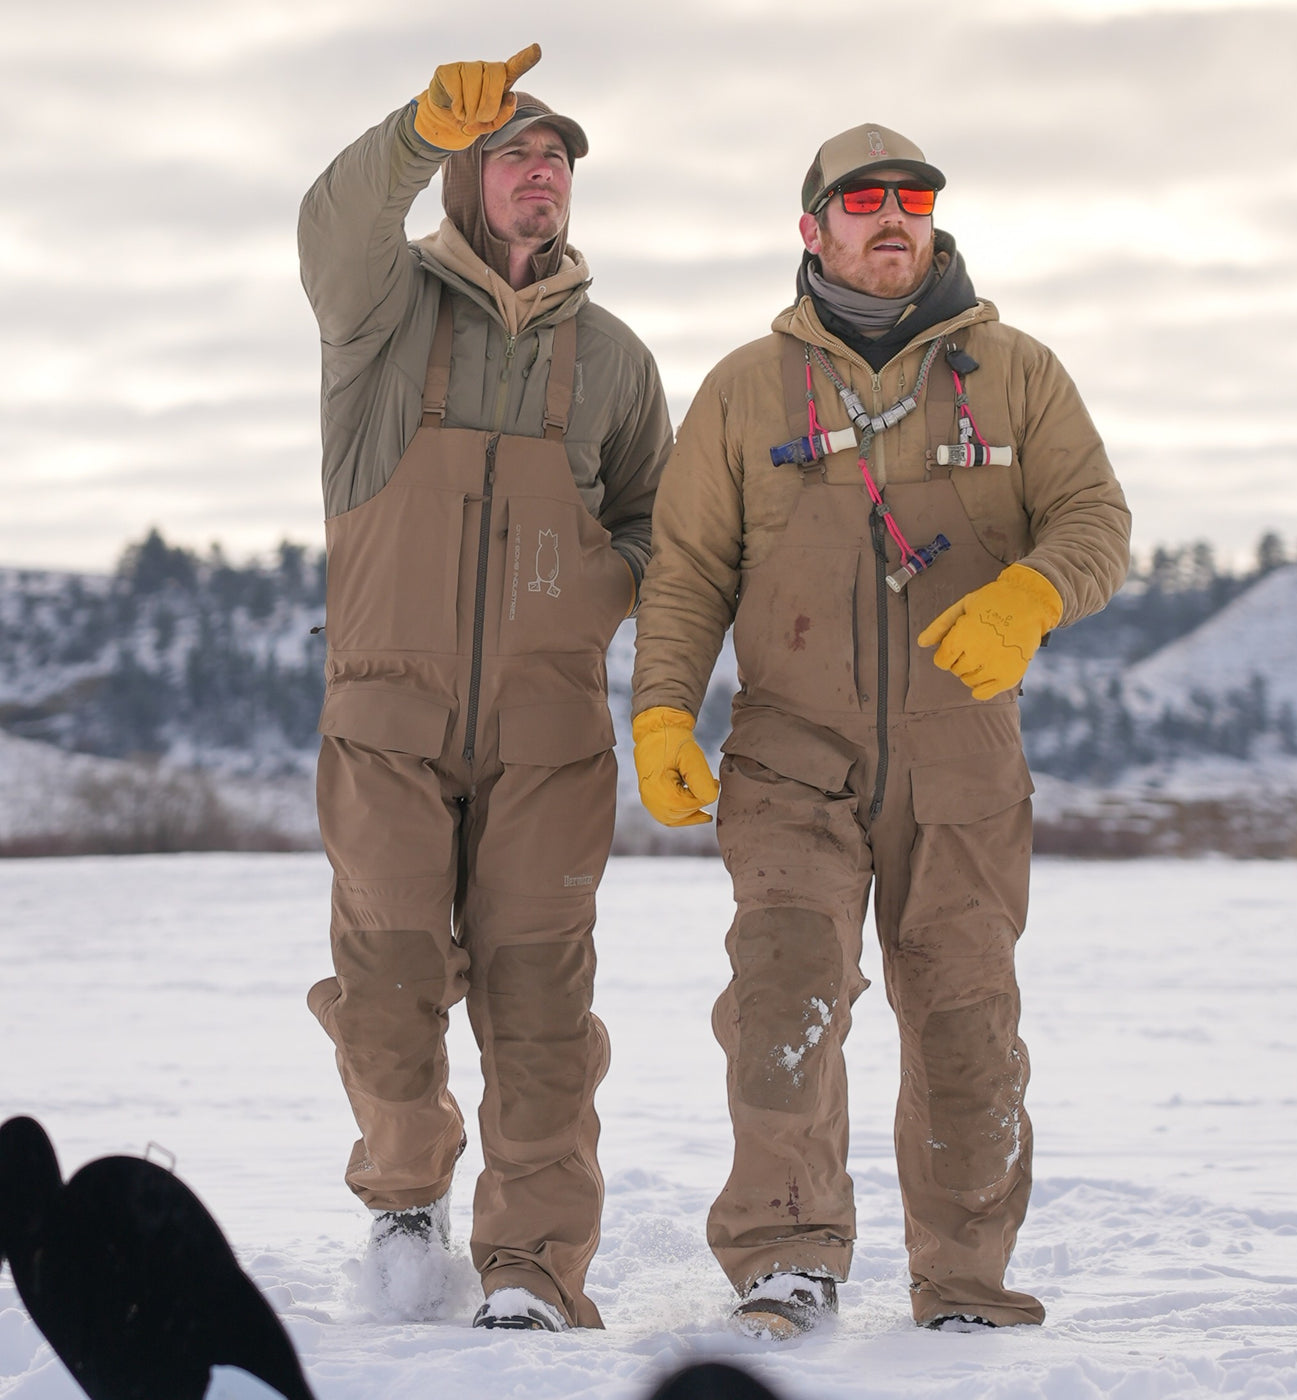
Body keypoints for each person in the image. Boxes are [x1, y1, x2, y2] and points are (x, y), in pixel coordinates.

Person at [631, 123, 1130, 1337]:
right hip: (789, 755)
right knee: (781, 1001)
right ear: (814, 229)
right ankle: (786, 1255)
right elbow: (687, 569)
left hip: (961, 757)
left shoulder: (1015, 371)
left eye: (911, 197)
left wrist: (1030, 595)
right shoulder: (744, 389)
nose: (891, 216)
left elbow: (1095, 518)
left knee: (964, 1018)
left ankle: (962, 1279)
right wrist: (657, 708)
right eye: (862, 201)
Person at [298, 45, 671, 1331]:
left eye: (557, 160)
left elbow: (652, 524)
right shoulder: (381, 313)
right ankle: (406, 1207)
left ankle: (531, 1269)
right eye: (516, 154)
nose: (543, 174)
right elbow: (333, 219)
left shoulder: (615, 359)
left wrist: (592, 590)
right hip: (386, 723)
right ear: (466, 179)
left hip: (549, 735)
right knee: (388, 991)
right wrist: (411, 127)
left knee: (542, 1009)